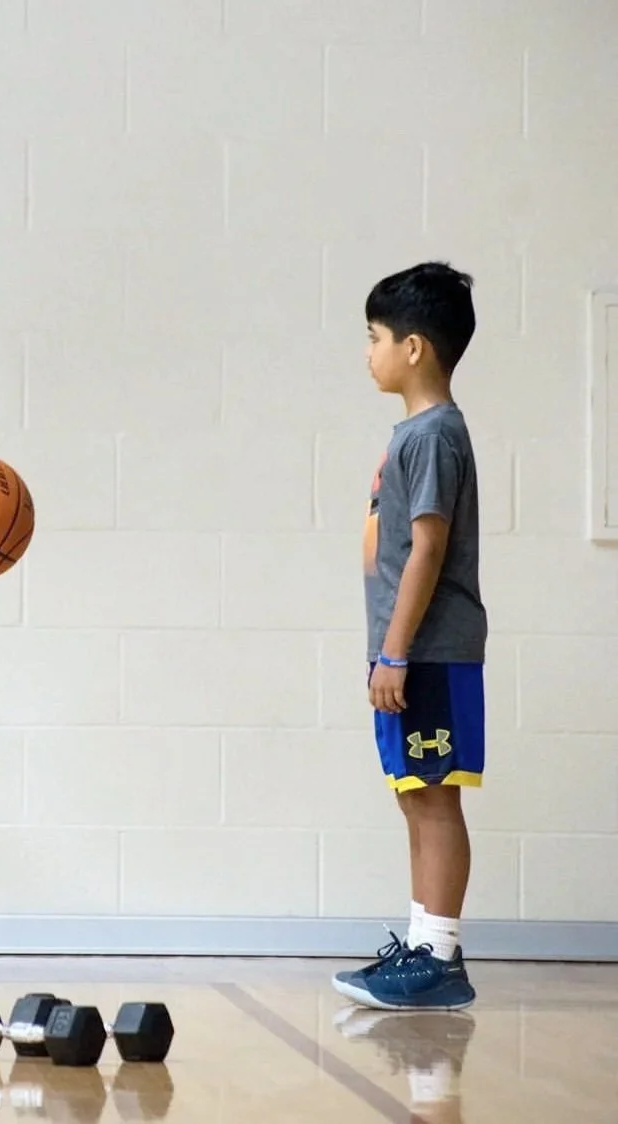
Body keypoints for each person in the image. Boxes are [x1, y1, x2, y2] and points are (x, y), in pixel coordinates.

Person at [332, 261, 487, 1011]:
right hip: (407, 649)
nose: (368, 352)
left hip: (428, 651)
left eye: (374, 337)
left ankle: (440, 954)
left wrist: (395, 651)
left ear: (415, 347)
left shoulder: (431, 436)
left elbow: (427, 548)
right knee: (415, 796)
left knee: (434, 799)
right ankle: (425, 941)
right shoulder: (416, 435)